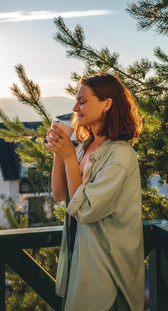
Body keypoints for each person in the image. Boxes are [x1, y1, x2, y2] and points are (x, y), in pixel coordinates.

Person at [45, 72, 144, 311]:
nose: (75, 107)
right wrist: (62, 151)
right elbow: (60, 194)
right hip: (81, 262)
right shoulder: (85, 148)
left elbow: (87, 210)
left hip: (107, 272)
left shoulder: (120, 155)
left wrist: (69, 156)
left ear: (107, 104)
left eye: (82, 101)